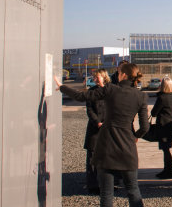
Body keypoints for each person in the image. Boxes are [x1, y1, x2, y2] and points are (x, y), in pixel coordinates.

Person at [57, 62, 148, 207]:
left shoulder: (111, 89)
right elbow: (145, 127)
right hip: (128, 149)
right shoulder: (141, 96)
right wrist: (135, 136)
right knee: (133, 190)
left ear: (123, 75)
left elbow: (82, 96)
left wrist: (62, 87)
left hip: (106, 148)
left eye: (118, 72)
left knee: (106, 193)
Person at [84, 69, 109, 194]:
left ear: (104, 77)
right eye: (94, 77)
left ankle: (109, 184)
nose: (95, 79)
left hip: (108, 128)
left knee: (108, 157)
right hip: (95, 128)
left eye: (97, 77)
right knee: (92, 157)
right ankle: (93, 185)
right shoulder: (91, 92)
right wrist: (97, 122)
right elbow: (89, 110)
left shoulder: (111, 90)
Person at [151, 76, 172, 180]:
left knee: (165, 149)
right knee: (166, 149)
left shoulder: (162, 97)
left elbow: (154, 112)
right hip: (171, 124)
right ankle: (167, 169)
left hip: (163, 126)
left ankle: (169, 170)